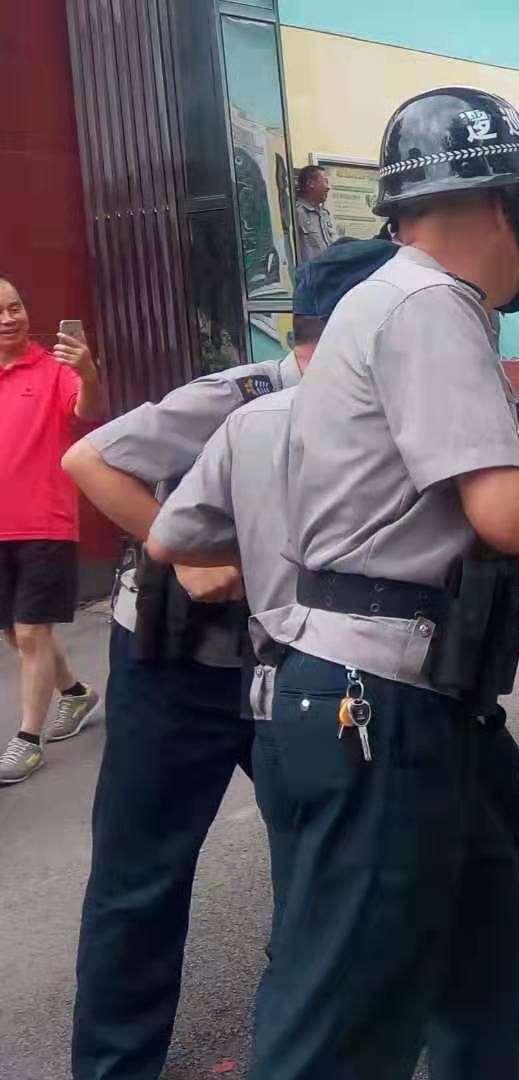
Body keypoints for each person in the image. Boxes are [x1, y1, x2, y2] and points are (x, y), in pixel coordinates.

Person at [241, 86, 519, 1079]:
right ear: (497, 203)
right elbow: (505, 514)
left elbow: (464, 525)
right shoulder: (432, 305)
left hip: (421, 698)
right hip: (379, 704)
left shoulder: (391, 301)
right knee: (348, 1021)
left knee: (493, 923)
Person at [62, 292, 311, 1079]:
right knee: (140, 875)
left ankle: (295, 1049)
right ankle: (115, 1067)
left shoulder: (364, 410)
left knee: (319, 855)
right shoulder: (235, 398)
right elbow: (89, 458)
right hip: (174, 665)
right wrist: (183, 550)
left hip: (288, 663)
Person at [0, 277, 104, 784]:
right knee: (12, 631)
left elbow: (88, 411)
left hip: (44, 521)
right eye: (0, 311)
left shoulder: (53, 369)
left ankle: (27, 740)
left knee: (30, 630)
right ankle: (75, 694)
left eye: (15, 307)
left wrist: (87, 371)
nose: (9, 318)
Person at [294, 164, 337, 266]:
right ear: (311, 183)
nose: (328, 187)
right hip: (308, 274)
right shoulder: (297, 212)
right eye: (325, 182)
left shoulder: (324, 214)